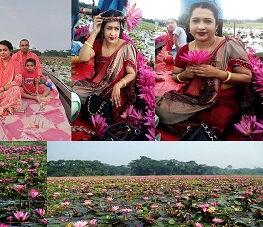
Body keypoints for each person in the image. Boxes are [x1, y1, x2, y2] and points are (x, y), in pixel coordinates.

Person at [156, 1, 252, 136]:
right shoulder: (185, 49)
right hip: (191, 98)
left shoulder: (229, 45)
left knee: (217, 122)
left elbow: (247, 77)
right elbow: (175, 77)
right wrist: (185, 75)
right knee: (159, 110)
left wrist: (217, 73)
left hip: (221, 99)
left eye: (207, 21)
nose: (201, 26)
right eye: (195, 21)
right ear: (189, 26)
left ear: (216, 26)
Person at [72, 9, 137, 124]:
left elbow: (132, 73)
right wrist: (94, 32)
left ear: (120, 29)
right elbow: (83, 58)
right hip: (95, 86)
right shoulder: (98, 43)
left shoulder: (126, 47)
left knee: (114, 110)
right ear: (102, 28)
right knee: (73, 93)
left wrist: (118, 85)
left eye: (116, 29)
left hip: (116, 89)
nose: (113, 33)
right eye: (109, 28)